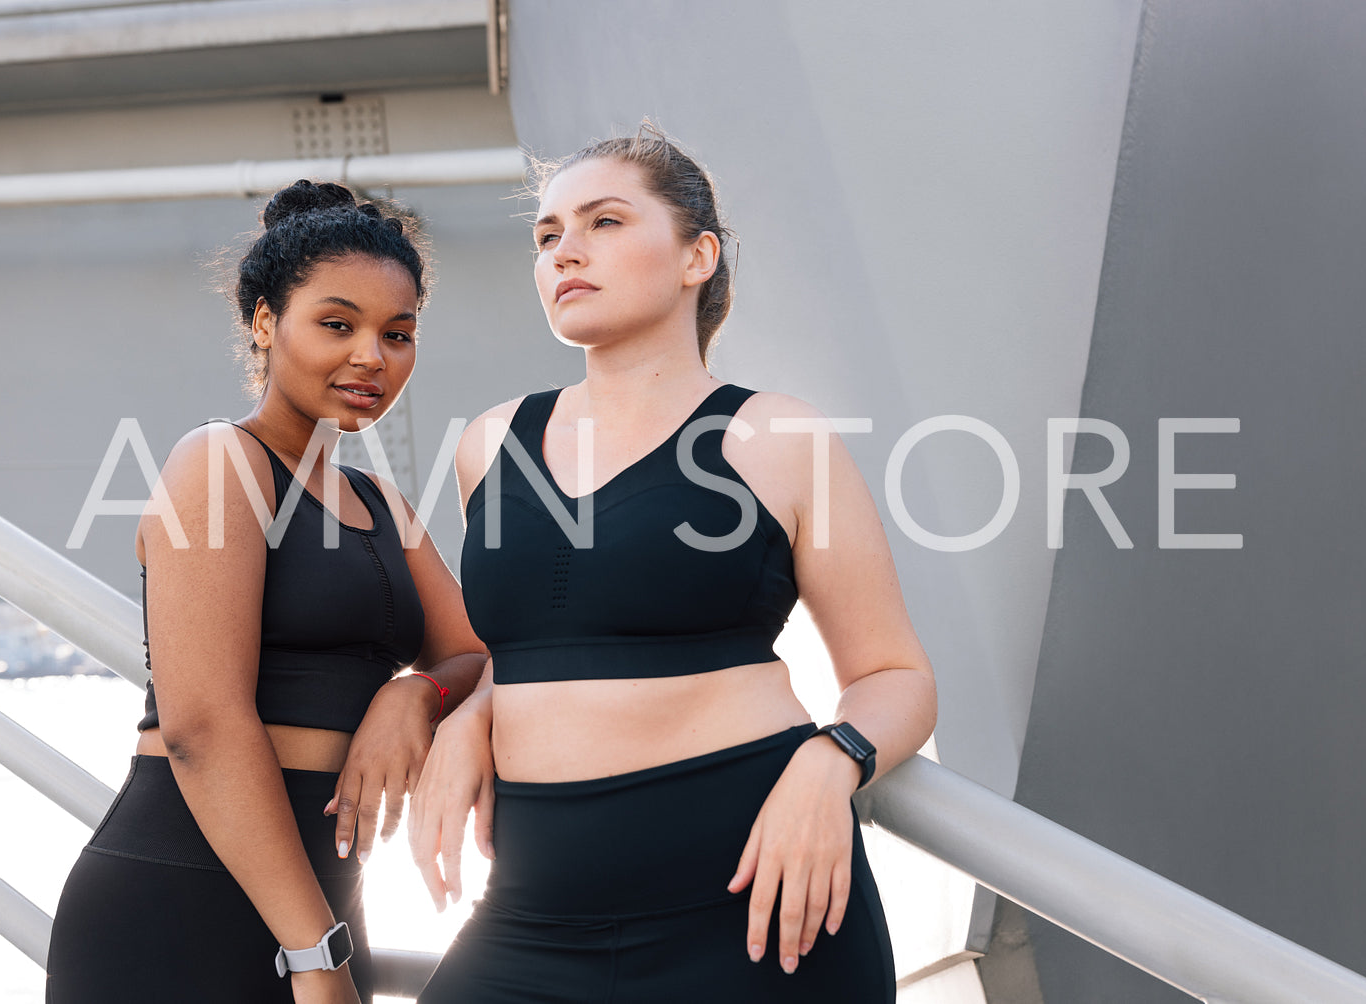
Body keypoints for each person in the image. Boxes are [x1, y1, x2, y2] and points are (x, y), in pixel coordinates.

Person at [409, 126, 937, 1003]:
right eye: (546, 237)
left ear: (698, 256)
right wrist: (472, 717)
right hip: (530, 915)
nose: (565, 251)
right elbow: (549, 634)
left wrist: (831, 758)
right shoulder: (489, 443)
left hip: (756, 906)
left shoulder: (775, 436)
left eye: (604, 222)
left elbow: (895, 673)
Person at [45, 180, 488, 1004]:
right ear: (262, 322)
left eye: (398, 333)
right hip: (182, 899)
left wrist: (413, 695)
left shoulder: (378, 504)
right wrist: (313, 953)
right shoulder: (220, 462)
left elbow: (478, 653)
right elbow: (201, 728)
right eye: (336, 324)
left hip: (320, 899)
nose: (371, 356)